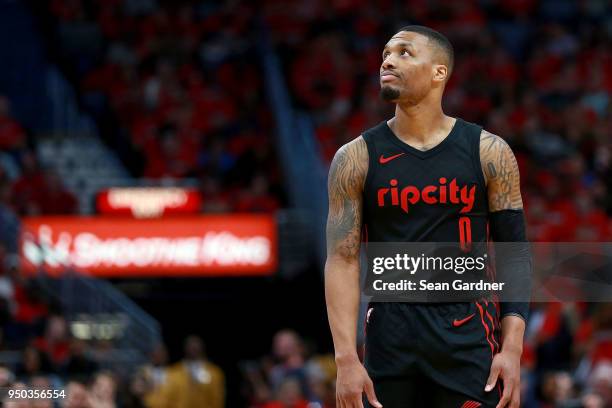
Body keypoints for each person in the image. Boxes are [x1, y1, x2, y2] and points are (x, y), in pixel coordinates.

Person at [325, 25, 531, 407]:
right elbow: (342, 258)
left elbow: (513, 254)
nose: (387, 60)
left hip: (468, 331)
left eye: (404, 52)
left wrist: (513, 348)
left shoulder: (489, 151)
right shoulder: (355, 157)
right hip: (390, 333)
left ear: (439, 72)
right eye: (385, 53)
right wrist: (346, 358)